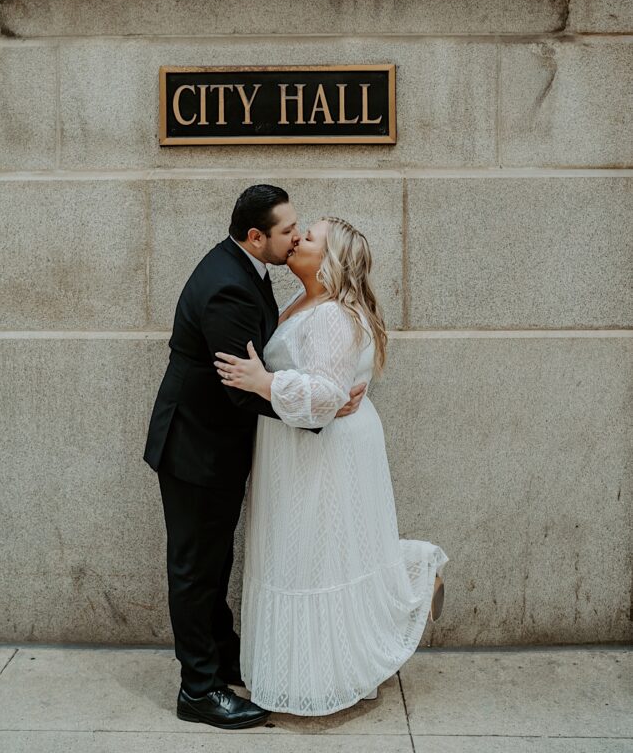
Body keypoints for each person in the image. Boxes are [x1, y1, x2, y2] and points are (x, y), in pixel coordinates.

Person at [143, 185, 367, 730]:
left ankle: (221, 656)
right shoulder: (228, 288)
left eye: (299, 228)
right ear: (255, 237)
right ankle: (197, 688)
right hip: (196, 448)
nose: (295, 236)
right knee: (196, 569)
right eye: (288, 230)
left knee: (215, 561)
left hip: (213, 446)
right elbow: (241, 388)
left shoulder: (248, 270)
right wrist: (321, 407)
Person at [214, 216, 448, 715]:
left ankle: (406, 586)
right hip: (300, 446)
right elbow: (329, 385)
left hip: (320, 453)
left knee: (316, 554)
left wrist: (262, 382)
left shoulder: (332, 317)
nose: (297, 238)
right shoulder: (304, 304)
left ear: (331, 261)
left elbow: (323, 396)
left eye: (310, 236)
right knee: (313, 550)